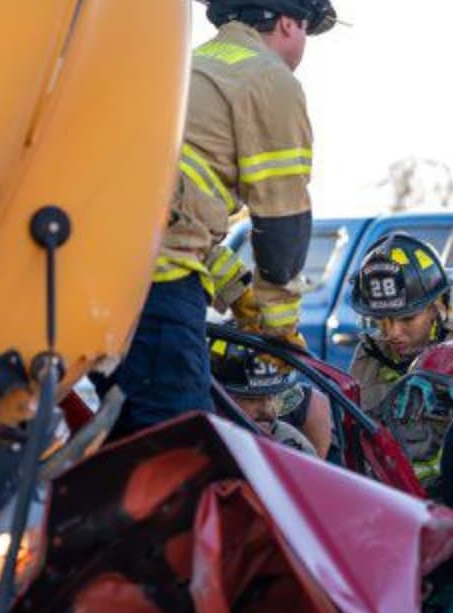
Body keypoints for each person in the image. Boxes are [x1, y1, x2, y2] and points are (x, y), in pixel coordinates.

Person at [108, 0, 335, 438]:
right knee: (178, 446)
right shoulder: (271, 80)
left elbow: (176, 215)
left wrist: (239, 292)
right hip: (158, 286)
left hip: (109, 282)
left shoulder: (187, 69)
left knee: (127, 441)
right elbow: (282, 224)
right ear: (289, 22)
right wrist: (279, 325)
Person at [348, 232, 453, 486]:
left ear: (438, 308)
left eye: (407, 318)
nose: (393, 333)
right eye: (382, 320)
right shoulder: (368, 356)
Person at [210, 339, 324, 456]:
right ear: (219, 397)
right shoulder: (202, 441)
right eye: (252, 399)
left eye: (271, 397)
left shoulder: (291, 444)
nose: (268, 411)